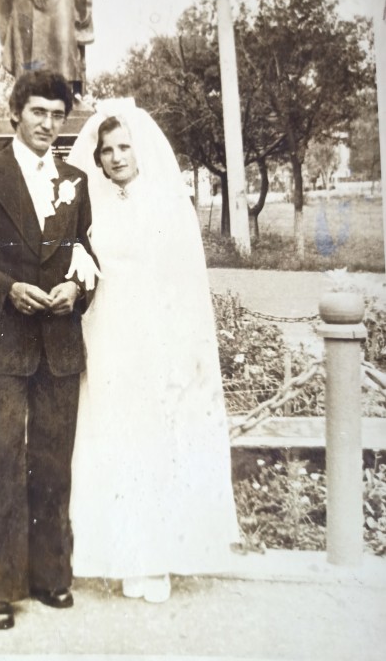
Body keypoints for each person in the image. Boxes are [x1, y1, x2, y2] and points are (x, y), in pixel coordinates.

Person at [0, 70, 97, 630]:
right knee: (4, 456)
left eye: (57, 115)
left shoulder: (76, 180)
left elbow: (88, 253)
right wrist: (6, 290)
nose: (48, 124)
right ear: (16, 115)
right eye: (38, 113)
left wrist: (76, 289)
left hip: (59, 340)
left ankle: (49, 574)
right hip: (2, 339)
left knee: (53, 457)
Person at [68, 100, 240, 603]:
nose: (117, 157)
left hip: (157, 334)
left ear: (139, 150)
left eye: (124, 147)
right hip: (107, 335)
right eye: (107, 150)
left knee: (156, 440)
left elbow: (183, 280)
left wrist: (183, 344)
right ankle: (123, 556)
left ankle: (158, 557)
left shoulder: (166, 203)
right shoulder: (90, 206)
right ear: (97, 158)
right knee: (114, 439)